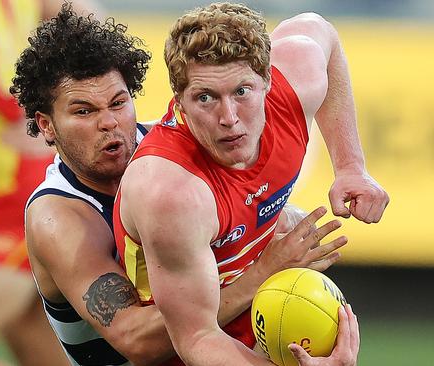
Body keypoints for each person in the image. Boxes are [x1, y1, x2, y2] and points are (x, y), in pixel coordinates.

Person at [13, 4, 347, 365]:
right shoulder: (59, 216)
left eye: (118, 102)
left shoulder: (170, 154)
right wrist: (263, 270)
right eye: (84, 111)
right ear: (46, 125)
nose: (109, 122)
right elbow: (136, 339)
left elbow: (318, 34)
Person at [115, 2, 389, 365]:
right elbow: (196, 338)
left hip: (263, 321)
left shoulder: (296, 80)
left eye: (242, 91)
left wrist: (351, 167)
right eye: (206, 98)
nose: (229, 118)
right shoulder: (171, 190)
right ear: (179, 100)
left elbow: (321, 32)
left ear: (268, 81)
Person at [0, 0, 95, 364]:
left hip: (8, 199)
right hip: (31, 186)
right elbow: (91, 27)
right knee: (34, 343)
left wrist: (50, 117)